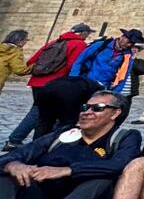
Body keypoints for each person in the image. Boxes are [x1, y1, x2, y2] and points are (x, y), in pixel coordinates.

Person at [0, 91, 139, 199]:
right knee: (7, 173)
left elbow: (119, 165)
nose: (87, 112)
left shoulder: (124, 137)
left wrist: (67, 170)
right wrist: (13, 165)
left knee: (102, 178)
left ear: (115, 113)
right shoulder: (62, 134)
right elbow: (19, 154)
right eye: (85, 107)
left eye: (98, 108)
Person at [36, 28, 144, 137]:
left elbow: (123, 76)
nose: (129, 44)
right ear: (123, 37)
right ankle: (53, 136)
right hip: (82, 84)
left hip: (101, 88)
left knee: (85, 116)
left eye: (132, 43)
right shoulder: (101, 45)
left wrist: (114, 94)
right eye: (128, 41)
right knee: (68, 114)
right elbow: (80, 60)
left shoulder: (127, 55)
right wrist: (73, 79)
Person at [5, 23, 93, 151]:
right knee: (39, 113)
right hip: (54, 84)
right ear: (83, 33)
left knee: (42, 113)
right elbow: (72, 65)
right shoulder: (79, 44)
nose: (88, 36)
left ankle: (35, 141)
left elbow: (32, 60)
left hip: (37, 82)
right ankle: (15, 140)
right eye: (88, 33)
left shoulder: (54, 42)